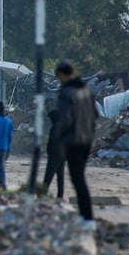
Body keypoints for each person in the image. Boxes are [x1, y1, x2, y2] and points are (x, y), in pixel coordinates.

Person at [55, 60, 97, 230]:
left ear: (62, 75)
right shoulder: (86, 89)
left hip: (73, 141)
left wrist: (58, 136)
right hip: (87, 140)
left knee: (77, 179)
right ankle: (84, 216)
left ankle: (87, 217)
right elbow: (95, 114)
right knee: (80, 178)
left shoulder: (66, 92)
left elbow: (65, 119)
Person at [41, 108, 66, 200]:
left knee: (48, 176)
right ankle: (60, 196)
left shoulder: (55, 127)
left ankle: (43, 194)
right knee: (60, 177)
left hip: (54, 155)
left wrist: (48, 151)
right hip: (63, 155)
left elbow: (52, 141)